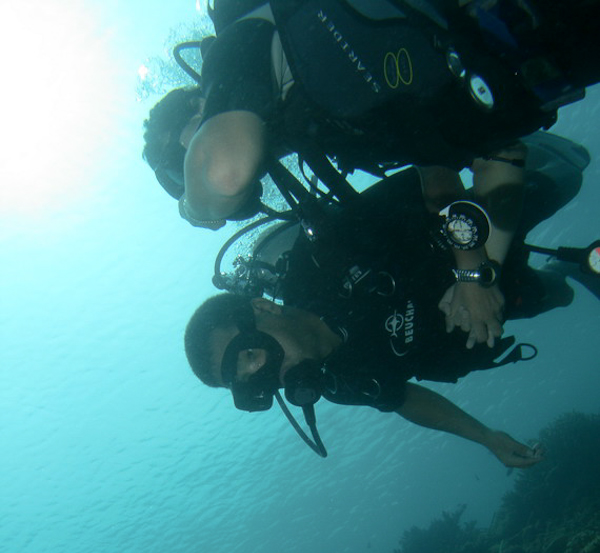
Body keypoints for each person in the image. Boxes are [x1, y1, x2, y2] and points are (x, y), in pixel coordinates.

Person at [182, 132, 599, 466]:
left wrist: (472, 276)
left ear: (262, 308)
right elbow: (404, 399)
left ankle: (517, 150)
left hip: (477, 231)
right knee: (560, 294)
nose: (268, 373)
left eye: (250, 355)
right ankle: (566, 271)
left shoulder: (324, 256)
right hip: (489, 314)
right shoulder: (336, 381)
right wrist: (485, 437)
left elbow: (437, 182)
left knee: (567, 173)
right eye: (252, 381)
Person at [143, 0, 600, 233]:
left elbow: (223, 173)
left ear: (195, 106)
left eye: (182, 159)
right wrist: (474, 275)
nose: (193, 170)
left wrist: (193, 208)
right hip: (552, 58)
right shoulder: (309, 117)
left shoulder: (234, 45)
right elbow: (453, 165)